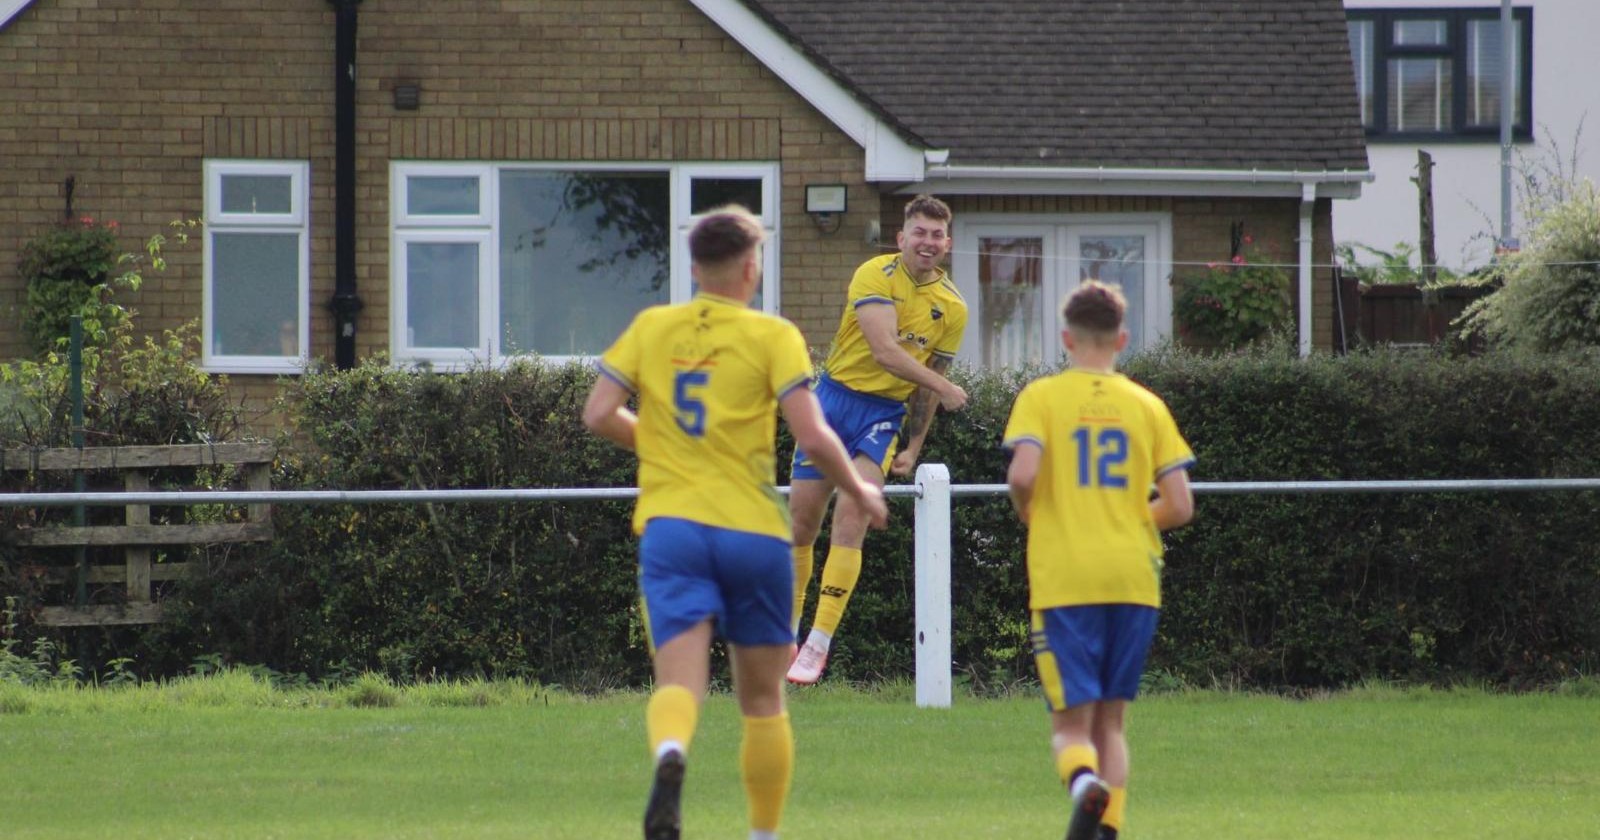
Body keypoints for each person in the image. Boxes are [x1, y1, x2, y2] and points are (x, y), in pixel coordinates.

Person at [582, 206, 888, 840]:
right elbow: (813, 434)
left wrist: (661, 445)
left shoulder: (651, 327)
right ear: (752, 268)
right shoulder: (772, 335)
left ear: (694, 268)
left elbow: (599, 412)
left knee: (679, 683)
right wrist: (860, 486)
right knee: (763, 702)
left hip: (673, 529)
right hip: (754, 533)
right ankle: (763, 834)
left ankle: (672, 754)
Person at [1001, 280, 1195, 840]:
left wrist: (1031, 511)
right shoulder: (1147, 405)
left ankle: (1083, 784)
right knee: (1113, 721)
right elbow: (1180, 505)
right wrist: (1133, 521)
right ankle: (1107, 831)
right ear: (1123, 340)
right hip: (1134, 578)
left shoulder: (1042, 398)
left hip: (1067, 578)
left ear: (1066, 338)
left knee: (1069, 728)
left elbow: (1022, 475)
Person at [786, 193, 969, 685]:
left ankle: (817, 644)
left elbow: (924, 389)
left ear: (947, 243)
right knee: (802, 524)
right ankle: (787, 632)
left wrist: (913, 447)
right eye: (919, 233)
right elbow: (886, 351)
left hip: (881, 414)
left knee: (853, 517)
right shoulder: (875, 275)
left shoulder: (951, 308)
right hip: (831, 400)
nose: (927, 243)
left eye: (936, 235)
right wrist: (944, 386)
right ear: (901, 237)